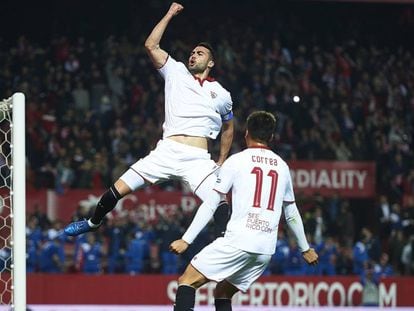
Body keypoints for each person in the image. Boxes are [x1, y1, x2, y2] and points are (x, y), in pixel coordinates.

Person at [64, 2, 234, 237]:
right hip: (167, 151)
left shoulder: (222, 94)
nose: (193, 55)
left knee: (221, 203)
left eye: (200, 53)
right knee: (117, 189)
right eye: (192, 52)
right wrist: (169, 14)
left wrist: (222, 159)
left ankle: (223, 247)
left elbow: (229, 127)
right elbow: (150, 45)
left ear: (211, 62)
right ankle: (93, 223)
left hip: (197, 159)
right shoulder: (175, 71)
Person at [170, 111, 318, 311]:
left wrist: (186, 239)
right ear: (271, 137)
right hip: (264, 250)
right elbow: (291, 211)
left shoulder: (237, 161)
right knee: (222, 292)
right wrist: (305, 248)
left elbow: (212, 202)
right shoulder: (282, 167)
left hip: (238, 241)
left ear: (246, 133)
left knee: (187, 281)